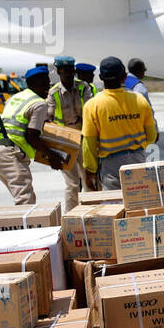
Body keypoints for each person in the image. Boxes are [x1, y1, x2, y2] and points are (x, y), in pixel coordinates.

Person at [0, 66, 63, 204]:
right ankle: (27, 226)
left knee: (24, 199)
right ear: (34, 84)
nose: (48, 86)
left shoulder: (16, 97)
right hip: (11, 155)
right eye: (45, 82)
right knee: (26, 201)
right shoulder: (39, 104)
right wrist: (52, 156)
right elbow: (32, 137)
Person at [82, 57, 157, 191]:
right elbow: (151, 136)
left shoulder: (92, 105)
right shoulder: (140, 100)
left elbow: (89, 144)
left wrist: (90, 170)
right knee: (140, 203)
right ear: (124, 77)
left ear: (100, 77)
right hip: (138, 161)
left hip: (111, 167)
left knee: (116, 206)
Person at [46, 55, 95, 211]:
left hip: (84, 139)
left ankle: (92, 212)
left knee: (89, 180)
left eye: (70, 70)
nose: (68, 73)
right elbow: (49, 119)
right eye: (64, 70)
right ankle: (71, 216)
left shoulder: (84, 88)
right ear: (58, 71)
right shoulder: (53, 93)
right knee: (72, 184)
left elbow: (91, 109)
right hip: (64, 142)